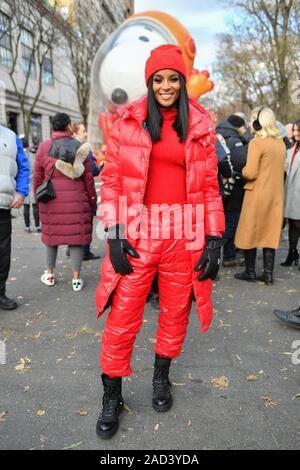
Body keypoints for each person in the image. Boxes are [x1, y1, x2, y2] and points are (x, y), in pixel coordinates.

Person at [95, 45, 225, 439]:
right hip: (137, 229)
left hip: (185, 232)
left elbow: (210, 189)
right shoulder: (128, 123)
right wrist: (115, 234)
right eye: (158, 79)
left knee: (174, 314)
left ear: (182, 82)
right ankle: (112, 395)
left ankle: (160, 378)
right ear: (149, 83)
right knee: (122, 318)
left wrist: (215, 238)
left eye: (173, 78)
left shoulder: (200, 126)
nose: (166, 86)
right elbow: (113, 182)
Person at [34, 113, 97, 292]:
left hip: (51, 200)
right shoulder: (79, 147)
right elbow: (88, 179)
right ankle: (76, 279)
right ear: (69, 126)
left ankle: (50, 274)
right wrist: (93, 202)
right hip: (76, 200)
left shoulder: (43, 147)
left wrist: (39, 199)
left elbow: (37, 178)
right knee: (76, 239)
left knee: (51, 238)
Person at [234, 107, 285, 285]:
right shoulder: (280, 143)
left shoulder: (257, 143)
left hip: (257, 194)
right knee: (269, 233)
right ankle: (268, 275)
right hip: (276, 195)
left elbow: (250, 172)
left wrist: (241, 170)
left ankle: (250, 272)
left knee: (251, 232)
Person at [0, 125, 29, 310]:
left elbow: (23, 166)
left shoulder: (10, 136)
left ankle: (0, 293)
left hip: (2, 205)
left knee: (2, 253)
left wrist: (21, 191)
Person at [216, 114, 249, 267]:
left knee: (228, 221)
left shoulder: (220, 134)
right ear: (238, 126)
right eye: (243, 126)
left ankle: (229, 256)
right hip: (234, 188)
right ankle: (216, 250)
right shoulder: (234, 140)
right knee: (232, 223)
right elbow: (241, 162)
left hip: (222, 188)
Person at [72, 122, 102, 261]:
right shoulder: (84, 149)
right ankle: (84, 251)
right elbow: (92, 172)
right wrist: (100, 166)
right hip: (83, 191)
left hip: (69, 192)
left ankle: (71, 249)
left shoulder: (67, 147)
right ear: (76, 132)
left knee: (74, 222)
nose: (85, 133)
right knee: (86, 222)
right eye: (83, 131)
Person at [280, 119, 300, 267]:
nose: (295, 133)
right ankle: (292, 253)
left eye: (298, 130)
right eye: (294, 130)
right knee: (292, 224)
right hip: (291, 191)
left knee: (298, 223)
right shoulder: (292, 148)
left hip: (298, 192)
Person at [21, 137, 41, 233]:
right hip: (33, 181)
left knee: (25, 206)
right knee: (35, 205)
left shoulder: (20, 156)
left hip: (23, 182)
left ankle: (27, 226)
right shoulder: (34, 156)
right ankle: (37, 226)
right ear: (28, 145)